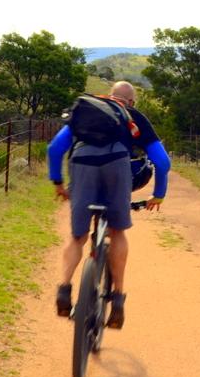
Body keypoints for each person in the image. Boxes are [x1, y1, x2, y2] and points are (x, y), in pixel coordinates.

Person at [48, 81, 170, 330]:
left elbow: (55, 148)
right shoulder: (133, 117)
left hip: (81, 164)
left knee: (77, 237)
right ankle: (117, 300)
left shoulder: (85, 110)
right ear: (131, 102)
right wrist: (158, 194)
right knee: (117, 232)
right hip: (117, 164)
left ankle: (64, 288)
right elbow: (162, 162)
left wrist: (58, 183)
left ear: (109, 96)